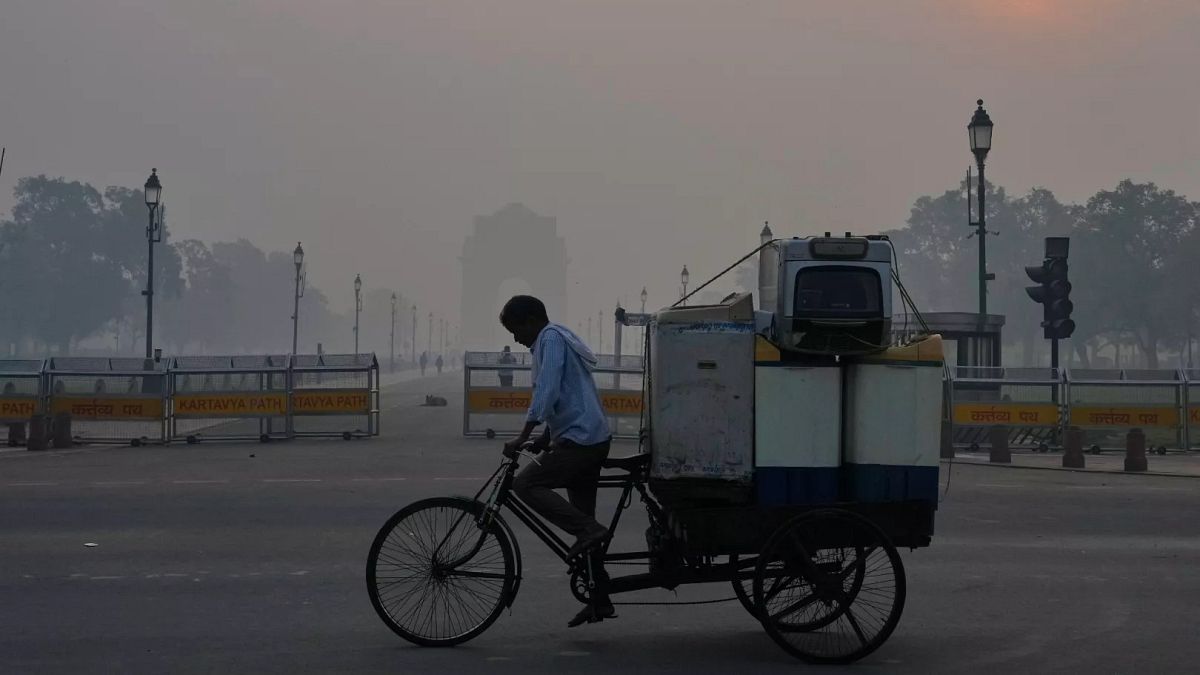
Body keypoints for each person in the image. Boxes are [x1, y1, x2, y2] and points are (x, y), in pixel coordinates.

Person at [498, 295, 614, 628]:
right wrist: (545, 438)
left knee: (525, 484)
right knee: (581, 519)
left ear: (532, 319)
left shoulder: (550, 338)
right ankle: (600, 599)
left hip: (581, 442)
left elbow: (547, 390)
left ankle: (590, 531)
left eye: (515, 329)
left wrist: (522, 435)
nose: (515, 338)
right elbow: (568, 394)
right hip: (586, 437)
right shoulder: (557, 337)